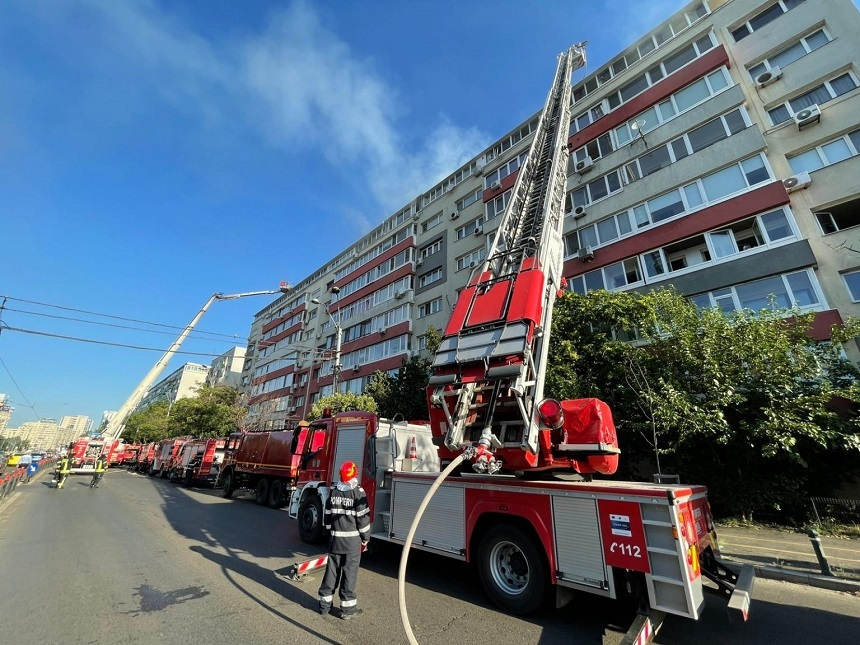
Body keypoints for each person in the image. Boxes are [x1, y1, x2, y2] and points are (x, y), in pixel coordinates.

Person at [318, 461, 370, 619]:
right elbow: (363, 519)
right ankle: (348, 610)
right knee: (349, 573)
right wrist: (365, 538)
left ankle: (324, 606)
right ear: (354, 473)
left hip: (335, 541)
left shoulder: (334, 492)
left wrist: (329, 533)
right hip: (351, 543)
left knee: (331, 572)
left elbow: (326, 516)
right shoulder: (358, 492)